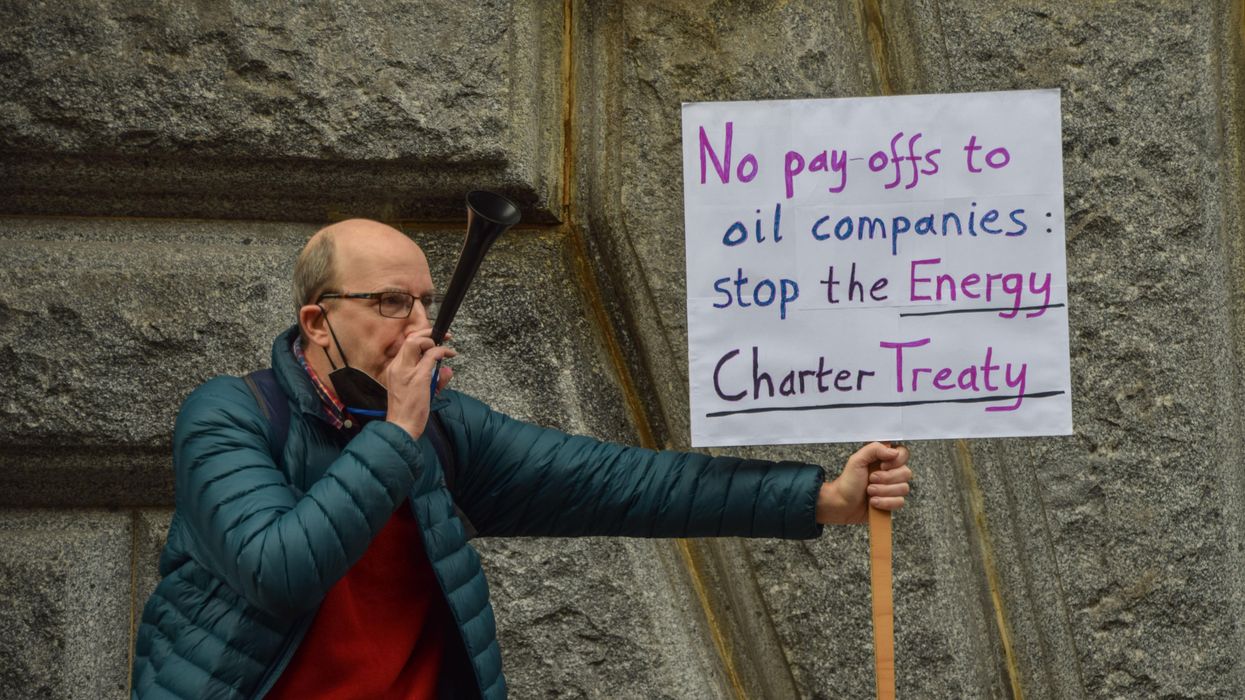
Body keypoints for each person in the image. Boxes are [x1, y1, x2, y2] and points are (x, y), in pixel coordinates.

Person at [131, 219, 912, 699]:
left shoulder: (442, 427)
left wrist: (819, 497)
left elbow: (615, 482)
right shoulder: (232, 413)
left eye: (425, 302)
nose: (418, 323)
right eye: (390, 303)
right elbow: (280, 569)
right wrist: (397, 432)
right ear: (316, 320)